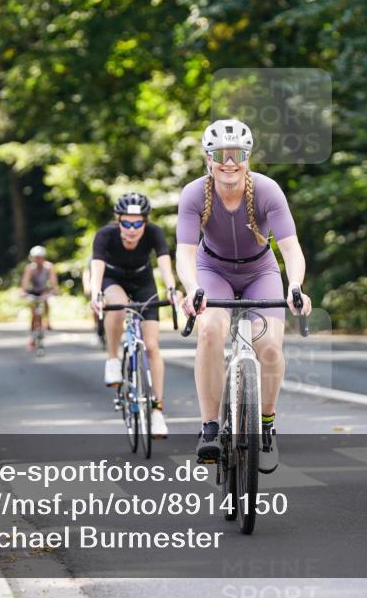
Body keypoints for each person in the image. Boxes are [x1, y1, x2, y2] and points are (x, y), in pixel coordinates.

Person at [176, 118, 312, 469]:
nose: (230, 161)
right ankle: (209, 428)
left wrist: (295, 284)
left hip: (260, 272)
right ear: (208, 158)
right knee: (209, 331)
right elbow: (185, 253)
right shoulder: (194, 194)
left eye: (237, 153)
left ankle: (265, 424)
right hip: (213, 271)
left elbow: (291, 249)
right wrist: (192, 289)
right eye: (221, 154)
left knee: (268, 346)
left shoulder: (267, 191)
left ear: (248, 156)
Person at [89, 192, 180, 439]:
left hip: (143, 280)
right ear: (118, 221)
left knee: (152, 347)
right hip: (113, 278)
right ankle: (112, 359)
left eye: (137, 223)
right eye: (126, 223)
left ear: (145, 223)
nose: (131, 229)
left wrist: (171, 289)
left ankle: (157, 411)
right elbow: (96, 268)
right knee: (118, 306)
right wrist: (96, 294)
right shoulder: (105, 235)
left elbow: (164, 264)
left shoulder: (154, 233)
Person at [20, 245, 59, 348]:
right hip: (33, 291)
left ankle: (47, 321)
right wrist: (23, 291)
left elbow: (53, 279)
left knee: (45, 301)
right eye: (36, 257)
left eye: (40, 257)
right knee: (34, 313)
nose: (38, 260)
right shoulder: (30, 268)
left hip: (44, 291)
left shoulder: (49, 267)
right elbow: (25, 281)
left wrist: (55, 288)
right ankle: (32, 336)